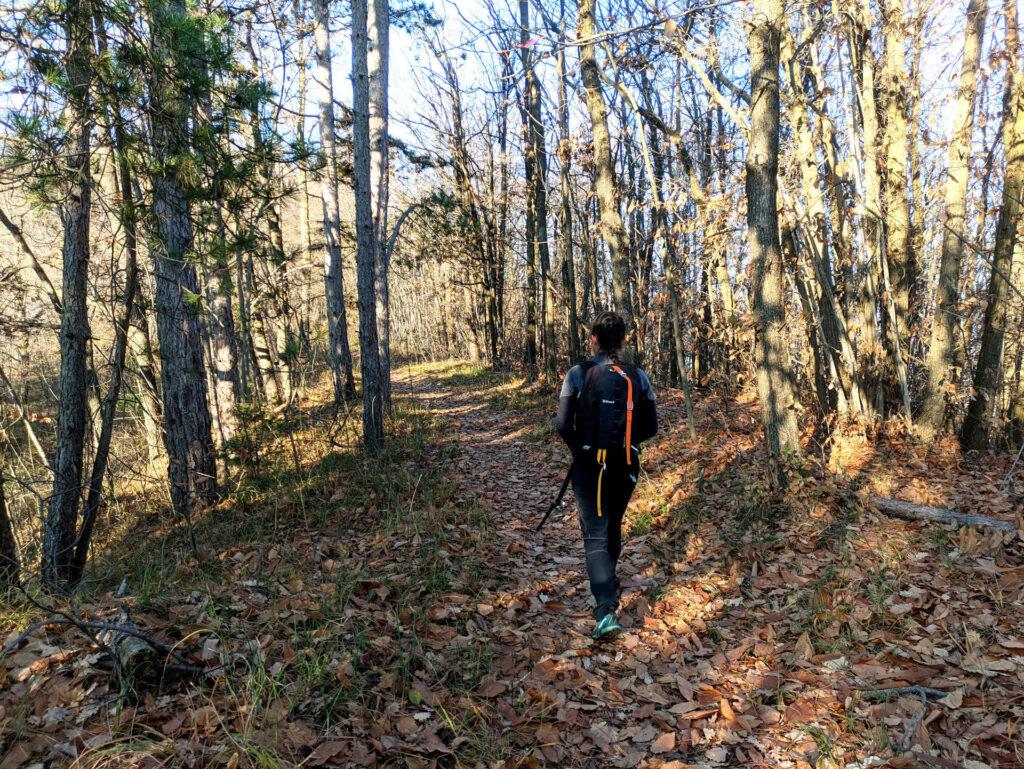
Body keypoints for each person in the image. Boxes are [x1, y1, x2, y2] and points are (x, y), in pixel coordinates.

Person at [554, 311, 658, 639]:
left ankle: (605, 610)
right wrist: (625, 443)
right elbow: (651, 427)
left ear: (594, 339)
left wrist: (581, 449)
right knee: (612, 525)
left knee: (595, 533)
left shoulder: (577, 374)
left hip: (588, 466)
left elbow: (561, 424)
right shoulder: (638, 376)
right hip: (626, 463)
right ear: (624, 340)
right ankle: (609, 590)